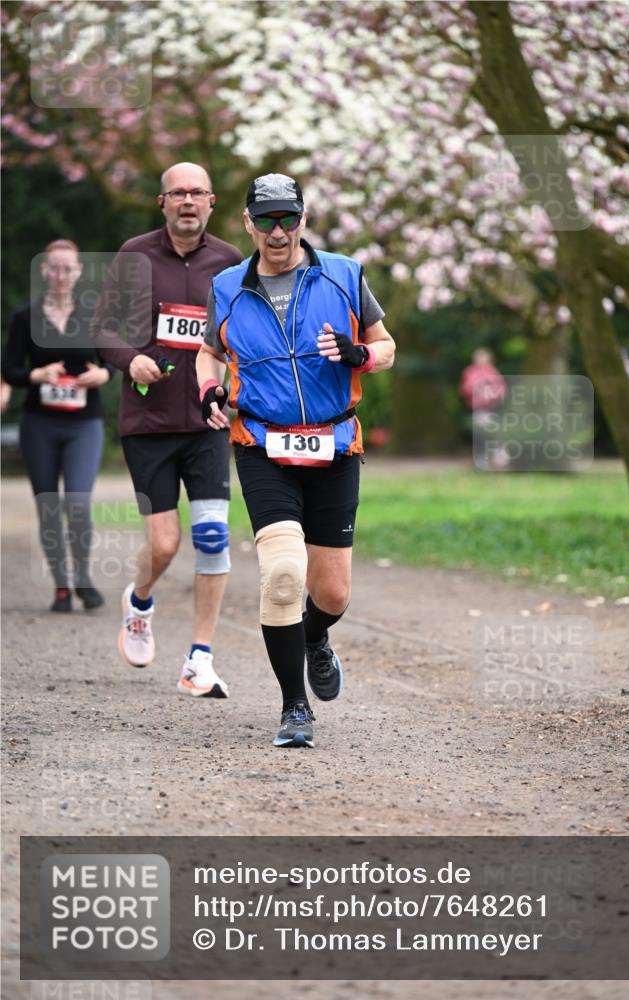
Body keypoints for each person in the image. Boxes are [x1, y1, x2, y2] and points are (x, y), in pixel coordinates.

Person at [197, 173, 396, 747]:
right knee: (283, 574)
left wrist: (360, 355)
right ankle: (294, 708)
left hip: (334, 445)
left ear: (304, 219)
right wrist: (208, 390)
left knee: (331, 594)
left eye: (288, 219)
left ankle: (314, 637)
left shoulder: (344, 275)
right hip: (263, 444)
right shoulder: (227, 287)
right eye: (267, 221)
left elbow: (386, 346)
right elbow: (209, 354)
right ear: (248, 223)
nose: (278, 232)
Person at [94, 162, 243, 697]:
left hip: (208, 421)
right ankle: (139, 602)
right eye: (177, 193)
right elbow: (102, 328)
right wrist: (129, 359)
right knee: (164, 544)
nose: (187, 201)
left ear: (211, 201)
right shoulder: (135, 254)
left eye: (197, 192)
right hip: (148, 422)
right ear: (162, 203)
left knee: (212, 537)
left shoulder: (230, 261)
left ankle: (200, 659)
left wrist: (234, 390)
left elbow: (246, 334)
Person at [2, 239, 112, 612]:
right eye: (55, 268)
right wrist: (36, 374)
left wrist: (103, 374)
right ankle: (61, 585)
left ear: (78, 272)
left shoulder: (94, 314)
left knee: (77, 503)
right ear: (44, 271)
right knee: (49, 506)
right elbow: (10, 370)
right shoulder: (25, 317)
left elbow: (112, 361)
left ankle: (83, 576)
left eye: (68, 268)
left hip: (84, 424)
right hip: (40, 424)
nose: (61, 275)